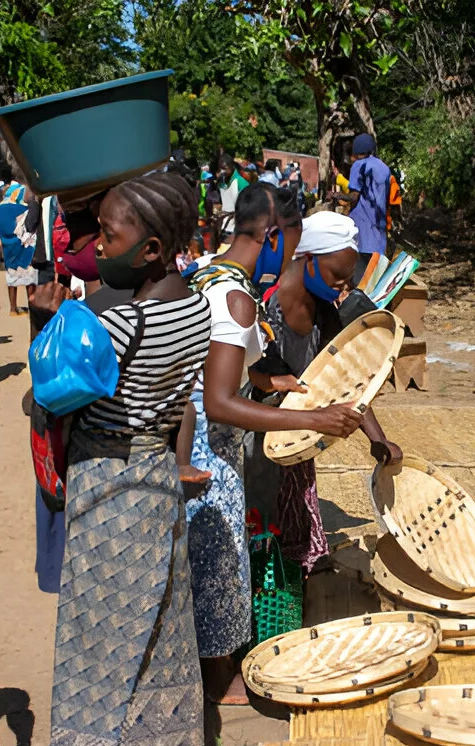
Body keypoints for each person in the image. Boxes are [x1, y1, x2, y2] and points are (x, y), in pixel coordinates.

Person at [28, 172, 212, 746]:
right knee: (162, 636)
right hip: (157, 481)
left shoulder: (123, 323)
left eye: (109, 236)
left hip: (109, 489)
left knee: (99, 651)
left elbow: (46, 396)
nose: (98, 248)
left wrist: (44, 323)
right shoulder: (195, 307)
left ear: (153, 249)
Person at [183, 184, 363, 705]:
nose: (290, 253)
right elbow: (217, 400)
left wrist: (271, 384)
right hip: (207, 446)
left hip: (201, 439)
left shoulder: (209, 273)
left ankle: (217, 671)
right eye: (290, 239)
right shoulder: (236, 297)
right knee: (218, 562)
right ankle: (218, 681)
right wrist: (311, 418)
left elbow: (227, 368)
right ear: (270, 234)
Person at [248, 210, 402, 573]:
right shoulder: (267, 305)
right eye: (336, 276)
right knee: (261, 531)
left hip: (296, 442)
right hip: (258, 442)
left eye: (347, 279)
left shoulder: (325, 309)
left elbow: (347, 378)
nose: (342, 287)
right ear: (309, 259)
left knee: (295, 541)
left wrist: (377, 440)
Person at [337, 134, 391, 276]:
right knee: (375, 276)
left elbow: (354, 196)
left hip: (362, 227)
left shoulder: (359, 166)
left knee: (359, 277)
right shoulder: (384, 168)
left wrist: (336, 195)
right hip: (379, 228)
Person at [0, 178, 38, 315]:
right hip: (24, 245)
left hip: (8, 246)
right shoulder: (24, 207)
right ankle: (31, 306)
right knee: (29, 277)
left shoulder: (0, 208)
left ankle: (13, 308)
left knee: (11, 276)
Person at [215, 153, 249, 239]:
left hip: (237, 227)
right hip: (223, 225)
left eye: (225, 169)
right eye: (221, 169)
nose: (222, 172)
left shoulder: (241, 182)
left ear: (232, 166)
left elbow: (248, 206)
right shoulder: (221, 182)